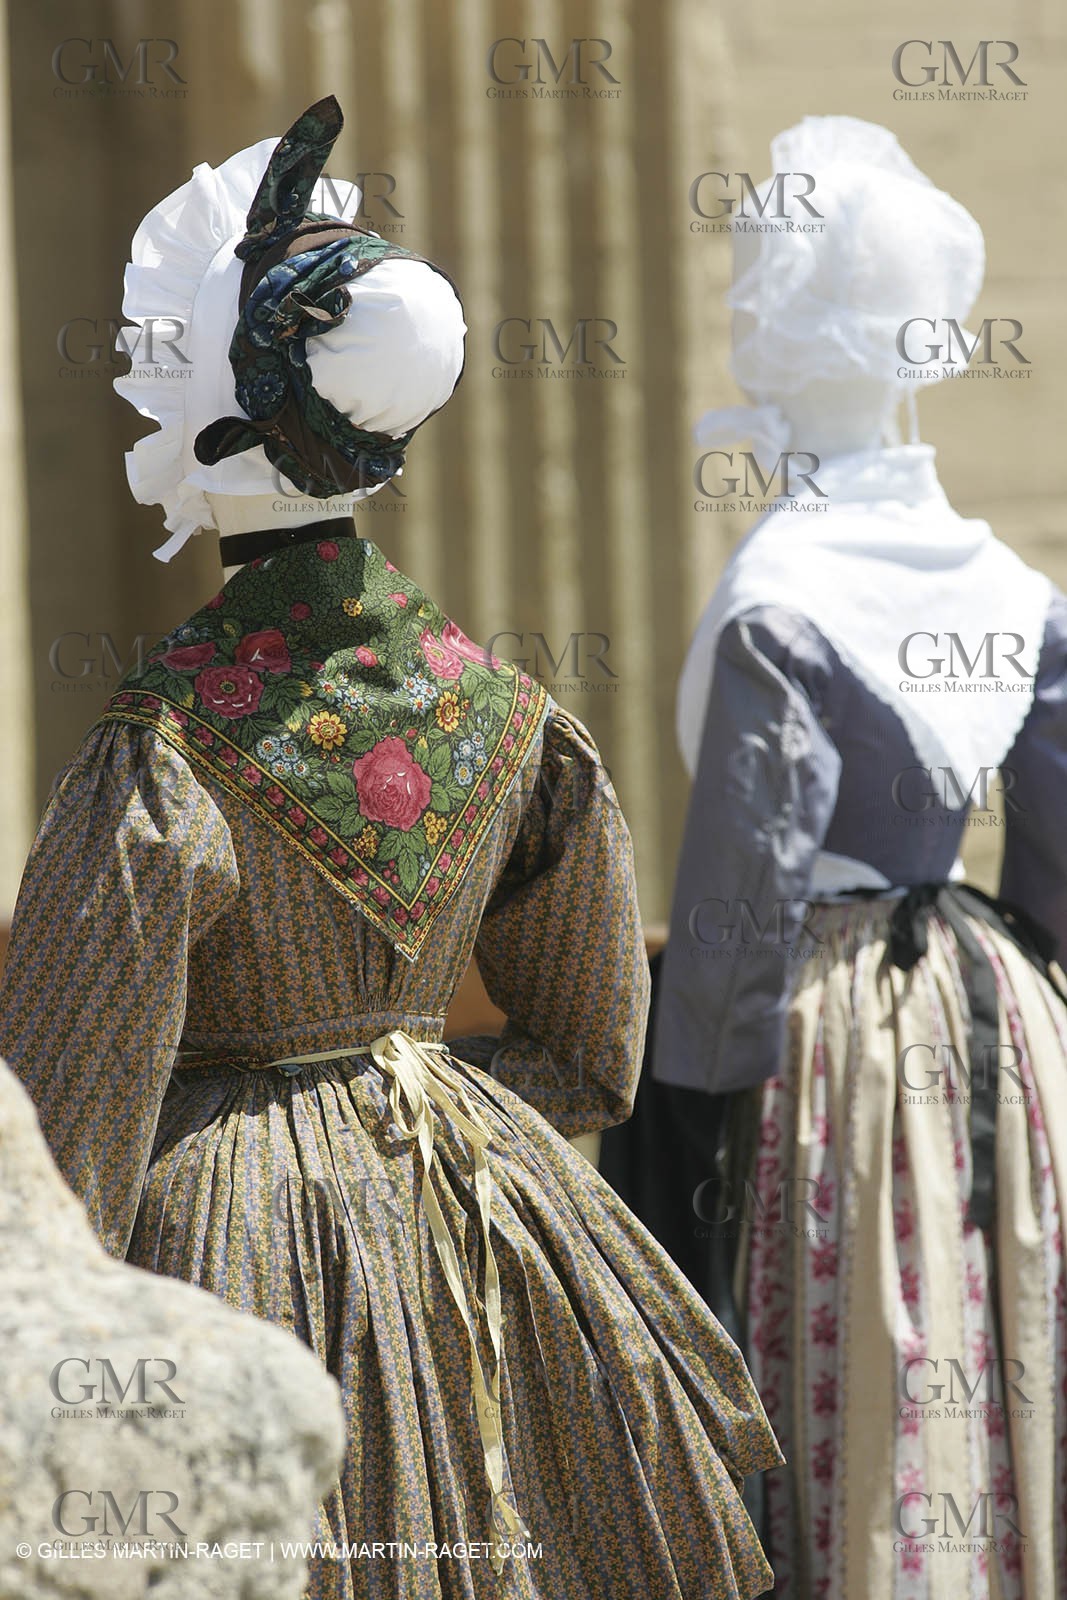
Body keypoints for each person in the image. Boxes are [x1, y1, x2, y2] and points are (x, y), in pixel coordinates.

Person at [0, 97, 782, 1600]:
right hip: (474, 1210)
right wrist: (409, 1095)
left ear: (225, 414)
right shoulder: (512, 713)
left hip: (225, 1246)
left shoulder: (162, 745)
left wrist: (241, 1156)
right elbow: (595, 1050)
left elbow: (56, 1132)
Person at [611, 115, 1067, 1599]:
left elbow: (741, 906)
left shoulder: (783, 598)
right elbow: (1057, 867)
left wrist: (669, 1125)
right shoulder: (1015, 586)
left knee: (872, 1329)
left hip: (840, 1042)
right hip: (1000, 1015)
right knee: (1002, 1340)